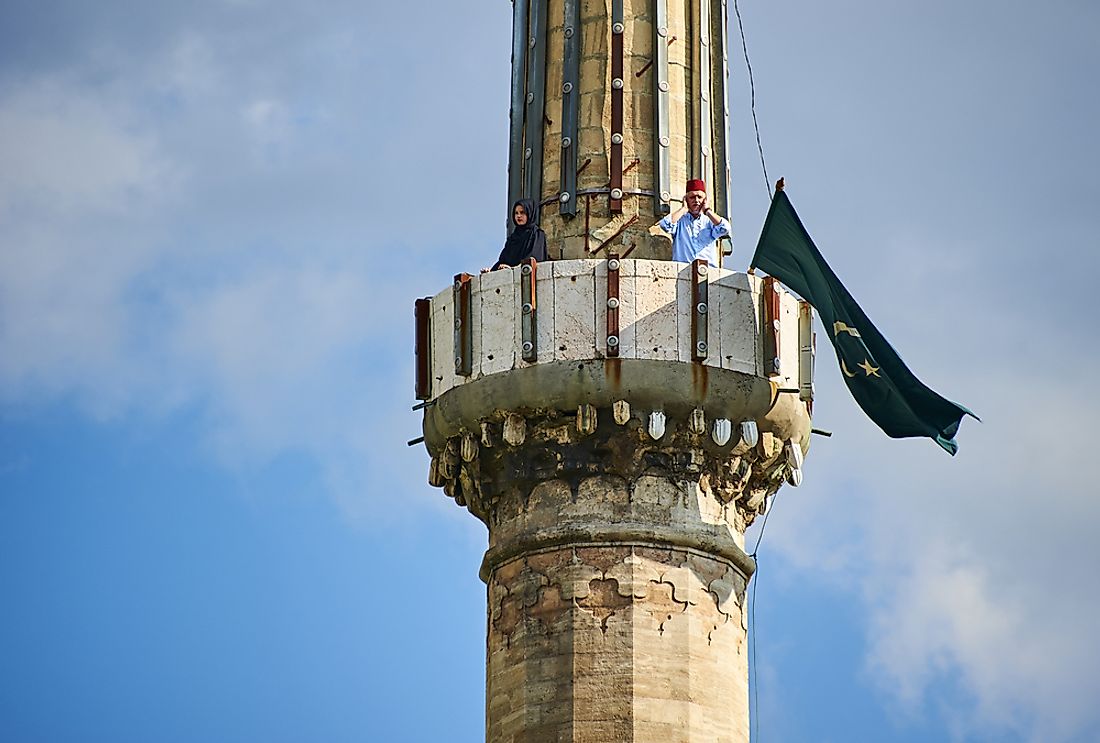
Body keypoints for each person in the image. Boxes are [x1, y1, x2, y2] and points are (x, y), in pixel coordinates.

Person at [655, 179, 731, 267]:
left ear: (705, 200)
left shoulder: (709, 221)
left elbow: (725, 228)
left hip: (708, 271)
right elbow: (665, 224)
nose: (696, 200)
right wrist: (683, 209)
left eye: (699, 197)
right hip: (683, 270)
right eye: (692, 197)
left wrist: (707, 211)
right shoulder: (680, 220)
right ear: (686, 200)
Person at [483, 198, 549, 272]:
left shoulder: (537, 234)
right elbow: (502, 261)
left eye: (522, 212)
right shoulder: (512, 239)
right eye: (516, 213)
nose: (519, 216)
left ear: (529, 213)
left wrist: (512, 269)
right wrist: (490, 271)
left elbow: (534, 258)